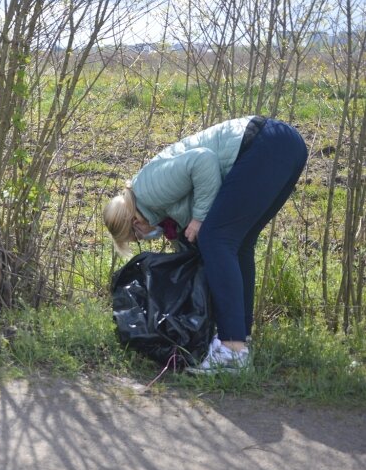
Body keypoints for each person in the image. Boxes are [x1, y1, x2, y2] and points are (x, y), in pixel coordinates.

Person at [103, 116, 307, 373]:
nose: (143, 239)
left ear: (134, 221)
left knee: (216, 239)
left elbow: (203, 161)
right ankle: (238, 341)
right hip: (284, 146)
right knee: (236, 244)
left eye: (136, 237)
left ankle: (231, 351)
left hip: (265, 144)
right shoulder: (156, 208)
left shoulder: (147, 190)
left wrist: (199, 219)